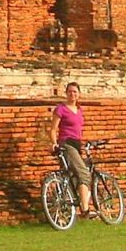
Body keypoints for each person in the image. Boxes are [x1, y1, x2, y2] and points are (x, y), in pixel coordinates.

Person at [50, 81, 93, 217]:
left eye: (75, 91)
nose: (72, 94)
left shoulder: (79, 110)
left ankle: (71, 204)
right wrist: (54, 143)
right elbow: (53, 129)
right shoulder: (61, 109)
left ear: (79, 94)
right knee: (84, 174)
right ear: (66, 93)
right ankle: (85, 210)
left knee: (75, 176)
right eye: (70, 91)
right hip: (66, 143)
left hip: (76, 144)